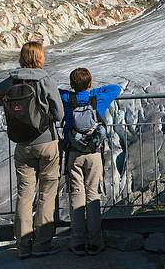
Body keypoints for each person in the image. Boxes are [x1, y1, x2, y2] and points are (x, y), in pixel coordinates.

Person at [0, 41, 64, 259]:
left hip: (22, 144)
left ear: (21, 57)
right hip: (46, 142)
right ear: (40, 57)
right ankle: (42, 244)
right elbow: (59, 113)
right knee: (47, 194)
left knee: (24, 194)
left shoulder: (12, 79)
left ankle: (23, 245)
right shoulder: (44, 79)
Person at [59, 68, 122, 256]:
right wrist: (90, 92)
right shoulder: (97, 99)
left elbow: (56, 92)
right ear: (89, 83)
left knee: (76, 194)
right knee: (92, 195)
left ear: (71, 85)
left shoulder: (67, 99)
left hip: (74, 153)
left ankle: (77, 241)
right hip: (94, 153)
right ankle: (95, 242)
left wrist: (75, 93)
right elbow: (115, 88)